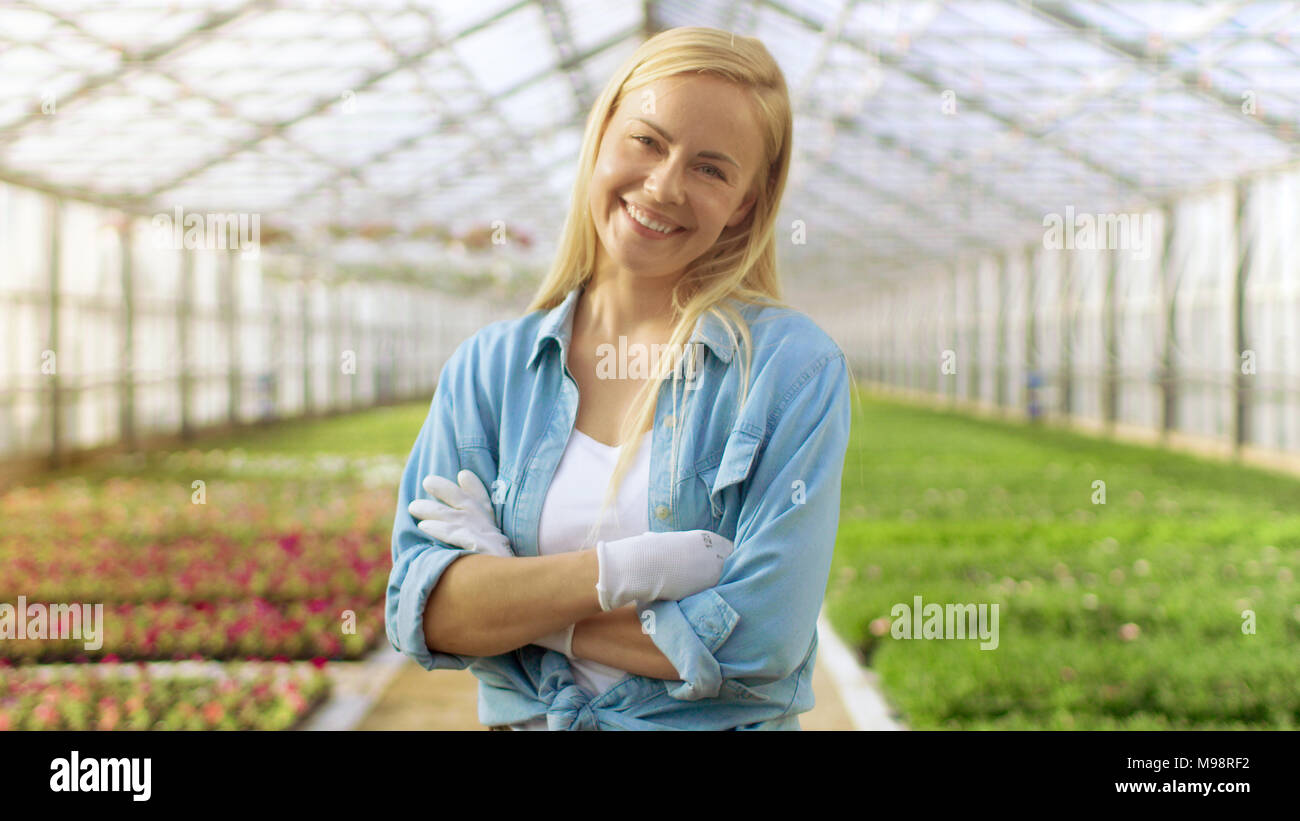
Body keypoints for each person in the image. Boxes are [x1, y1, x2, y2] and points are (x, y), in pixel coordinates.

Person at [385, 26, 852, 730]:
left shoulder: (791, 370)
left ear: (747, 205)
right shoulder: (490, 369)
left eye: (711, 169)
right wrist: (633, 568)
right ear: (601, 133)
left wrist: (514, 597)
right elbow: (422, 608)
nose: (663, 186)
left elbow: (764, 637)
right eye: (648, 141)